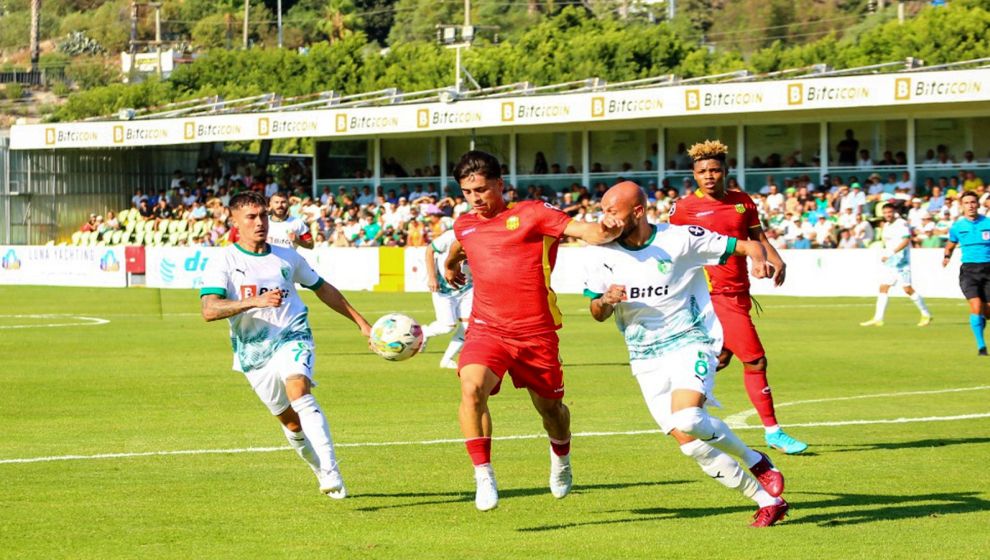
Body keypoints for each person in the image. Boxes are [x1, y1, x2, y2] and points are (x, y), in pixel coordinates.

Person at [584, 181, 789, 527]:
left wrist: (759, 262)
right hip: (644, 355)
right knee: (689, 443)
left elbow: (748, 246)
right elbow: (595, 311)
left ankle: (757, 461)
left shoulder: (679, 239)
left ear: (638, 212)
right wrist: (605, 300)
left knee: (690, 418)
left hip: (690, 339)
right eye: (603, 211)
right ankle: (767, 500)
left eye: (612, 212)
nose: (605, 220)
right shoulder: (601, 253)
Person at [442, 150, 624, 511]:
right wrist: (450, 265)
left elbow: (583, 230)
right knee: (471, 385)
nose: (476, 199)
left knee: (551, 411)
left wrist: (605, 230)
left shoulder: (532, 214)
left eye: (481, 189)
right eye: (467, 192)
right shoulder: (466, 223)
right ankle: (484, 475)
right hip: (486, 329)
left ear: (499, 184)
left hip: (536, 333)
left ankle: (561, 457)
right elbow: (459, 244)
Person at [199, 191, 372, 499]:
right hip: (253, 352)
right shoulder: (224, 260)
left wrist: (362, 323)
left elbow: (322, 288)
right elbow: (209, 310)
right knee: (291, 424)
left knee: (299, 389)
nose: (260, 222)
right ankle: (319, 468)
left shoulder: (287, 255)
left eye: (263, 215)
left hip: (293, 333)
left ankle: (331, 468)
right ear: (234, 220)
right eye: (251, 217)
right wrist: (254, 301)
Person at [669, 140, 808, 455]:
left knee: (717, 359)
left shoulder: (743, 202)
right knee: (756, 360)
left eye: (715, 170)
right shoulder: (684, 208)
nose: (709, 176)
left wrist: (774, 258)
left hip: (740, 292)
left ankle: (683, 412)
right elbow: (674, 251)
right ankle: (773, 431)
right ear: (694, 174)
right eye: (703, 171)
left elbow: (755, 236)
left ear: (725, 172)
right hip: (714, 296)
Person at [861, 203, 933, 327]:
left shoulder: (901, 223)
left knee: (907, 289)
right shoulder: (887, 225)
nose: (887, 215)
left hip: (901, 263)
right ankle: (878, 318)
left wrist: (891, 253)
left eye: (889, 212)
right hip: (891, 263)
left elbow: (906, 240)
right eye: (885, 213)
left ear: (894, 211)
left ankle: (926, 314)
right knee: (883, 287)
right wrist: (887, 255)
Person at [943, 191, 990, 355]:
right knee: (976, 306)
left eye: (973, 202)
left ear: (978, 204)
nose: (970, 205)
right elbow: (950, 244)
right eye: (967, 203)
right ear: (962, 206)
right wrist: (947, 256)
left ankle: (981, 320)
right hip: (969, 271)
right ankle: (981, 346)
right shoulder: (957, 226)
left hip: (988, 269)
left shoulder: (988, 222)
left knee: (987, 310)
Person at [422, 229, 473, 369]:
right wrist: (432, 277)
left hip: (468, 289)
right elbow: (429, 251)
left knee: (467, 327)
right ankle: (423, 332)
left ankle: (446, 360)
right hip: (444, 289)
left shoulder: (485, 239)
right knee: (446, 327)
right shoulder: (451, 236)